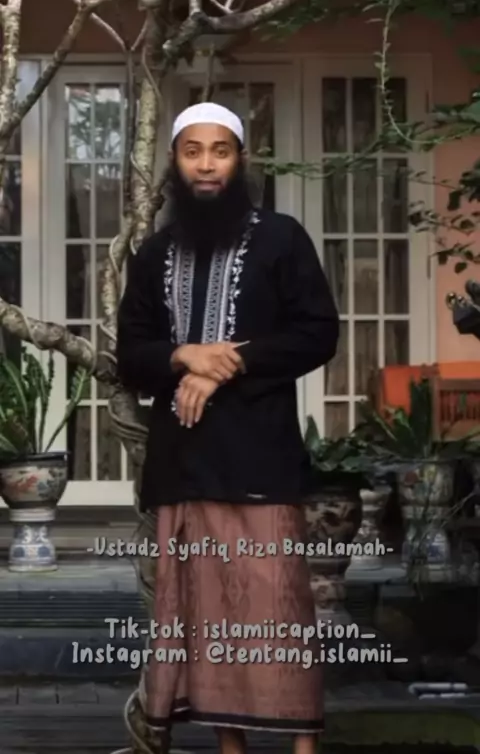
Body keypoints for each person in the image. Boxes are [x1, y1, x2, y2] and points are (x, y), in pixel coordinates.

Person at [116, 102, 339, 754]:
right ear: (175, 162)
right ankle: (229, 748)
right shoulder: (154, 254)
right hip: (184, 465)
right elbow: (131, 354)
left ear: (241, 160)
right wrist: (184, 356)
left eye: (220, 150)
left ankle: (303, 747)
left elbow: (316, 333)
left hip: (261, 460)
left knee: (276, 610)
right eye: (193, 152)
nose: (207, 164)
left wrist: (227, 364)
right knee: (205, 615)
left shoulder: (281, 239)